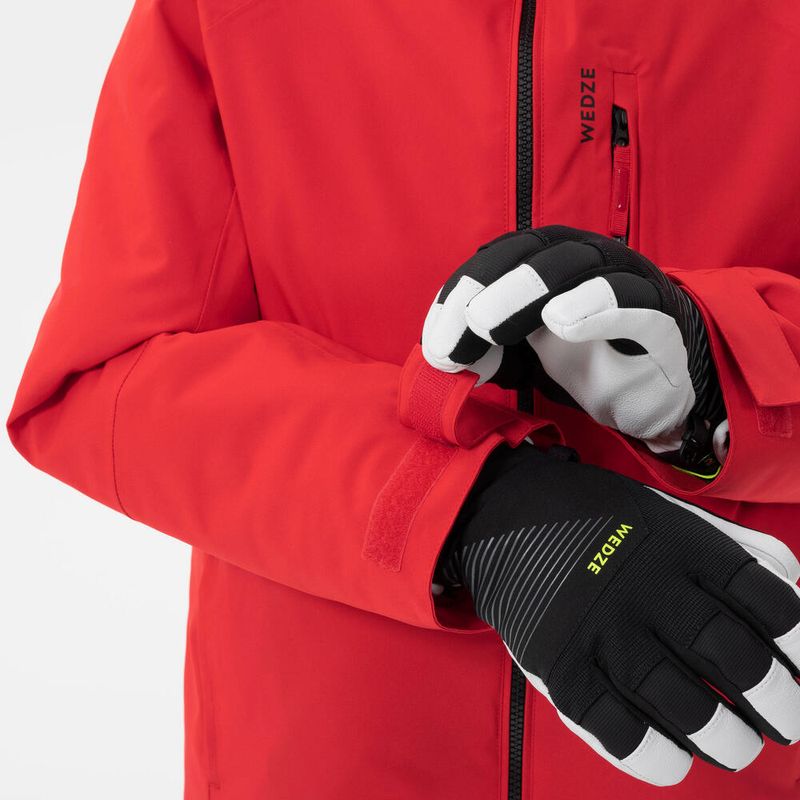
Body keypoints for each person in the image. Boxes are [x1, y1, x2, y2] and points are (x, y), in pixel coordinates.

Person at [8, 0, 800, 797]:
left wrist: (723, 373)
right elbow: (105, 375)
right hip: (332, 754)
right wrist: (471, 512)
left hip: (731, 720)